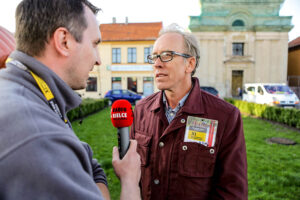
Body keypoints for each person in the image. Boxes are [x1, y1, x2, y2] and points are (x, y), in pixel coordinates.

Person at [0, 0, 141, 200]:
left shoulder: (36, 97)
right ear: (64, 41)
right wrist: (129, 180)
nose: (98, 60)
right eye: (94, 44)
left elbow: (91, 166)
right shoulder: (39, 137)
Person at [130, 24, 248, 200]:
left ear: (190, 64)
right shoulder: (141, 110)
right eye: (154, 57)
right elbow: (132, 179)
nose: (157, 64)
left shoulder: (225, 117)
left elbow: (232, 192)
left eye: (167, 55)